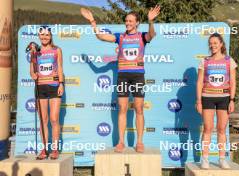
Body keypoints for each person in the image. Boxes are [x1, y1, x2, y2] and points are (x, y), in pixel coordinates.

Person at [81, 5, 160, 153]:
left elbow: (152, 35)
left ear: (137, 23)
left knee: (139, 109)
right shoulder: (120, 37)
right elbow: (101, 36)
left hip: (137, 76)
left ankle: (140, 142)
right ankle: (121, 142)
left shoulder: (143, 36)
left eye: (130, 21)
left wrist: (150, 21)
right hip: (123, 76)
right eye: (126, 20)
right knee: (122, 109)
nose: (127, 23)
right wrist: (93, 21)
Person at [196, 33, 237, 169]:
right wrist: (199, 101)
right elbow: (199, 82)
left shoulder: (228, 60)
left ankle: (221, 158)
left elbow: (233, 81)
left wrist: (232, 100)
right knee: (207, 128)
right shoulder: (205, 61)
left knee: (221, 129)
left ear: (221, 44)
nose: (212, 45)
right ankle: (205, 159)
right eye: (211, 43)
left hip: (224, 98)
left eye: (215, 43)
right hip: (207, 97)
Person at [29, 26, 64, 160]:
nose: (44, 37)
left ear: (51, 36)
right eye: (42, 35)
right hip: (40, 88)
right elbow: (32, 73)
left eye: (47, 35)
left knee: (54, 118)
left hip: (54, 86)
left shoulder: (57, 50)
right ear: (39, 36)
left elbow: (60, 67)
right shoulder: (35, 52)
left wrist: (61, 83)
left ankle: (55, 149)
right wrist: (32, 56)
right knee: (43, 120)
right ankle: (44, 149)